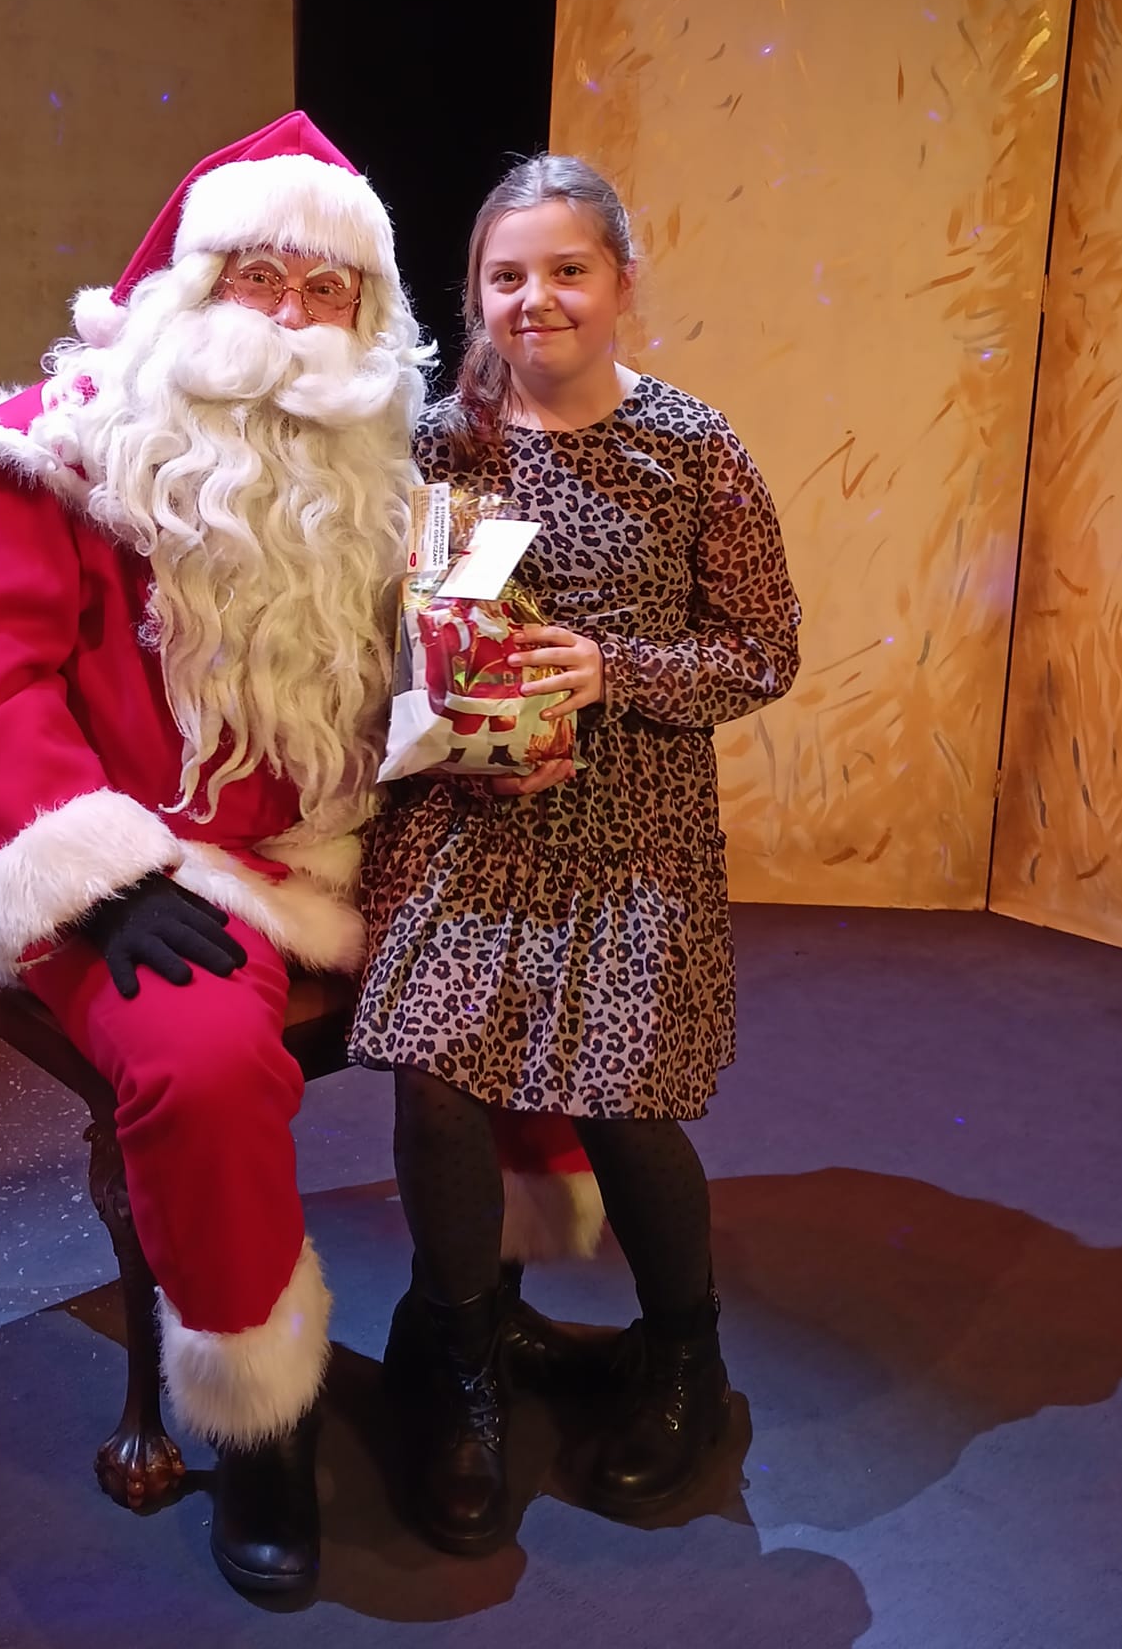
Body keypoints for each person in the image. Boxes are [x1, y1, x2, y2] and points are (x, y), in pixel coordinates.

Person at [0, 112, 427, 1600]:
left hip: (343, 845)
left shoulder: (387, 471)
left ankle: (470, 1334)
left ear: (366, 314)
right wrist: (104, 878)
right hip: (141, 865)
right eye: (257, 277)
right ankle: (260, 1420)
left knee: (526, 951)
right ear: (192, 287)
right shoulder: (62, 450)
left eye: (323, 291)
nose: (288, 318)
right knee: (197, 1062)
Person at [351, 154, 802, 1552]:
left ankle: (685, 1355)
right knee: (435, 1076)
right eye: (506, 275)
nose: (534, 299)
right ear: (474, 293)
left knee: (622, 1092)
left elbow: (765, 652)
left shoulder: (691, 447)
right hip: (468, 817)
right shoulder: (439, 446)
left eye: (566, 270)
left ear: (620, 283)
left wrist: (615, 669)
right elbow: (389, 639)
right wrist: (450, 717)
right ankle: (462, 1359)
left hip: (633, 823)